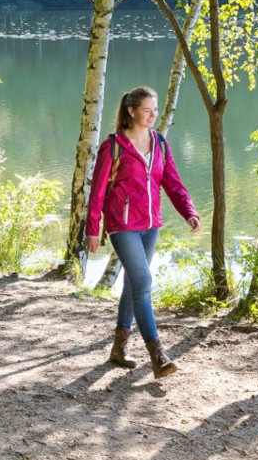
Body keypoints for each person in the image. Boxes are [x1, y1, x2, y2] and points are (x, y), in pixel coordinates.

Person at [84, 85, 200, 378]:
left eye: (155, 110)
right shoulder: (113, 147)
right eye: (146, 110)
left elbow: (172, 183)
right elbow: (97, 192)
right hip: (122, 225)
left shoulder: (160, 144)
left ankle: (119, 347)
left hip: (151, 226)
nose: (152, 115)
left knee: (134, 284)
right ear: (131, 111)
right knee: (144, 281)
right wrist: (93, 230)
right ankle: (157, 355)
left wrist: (189, 212)